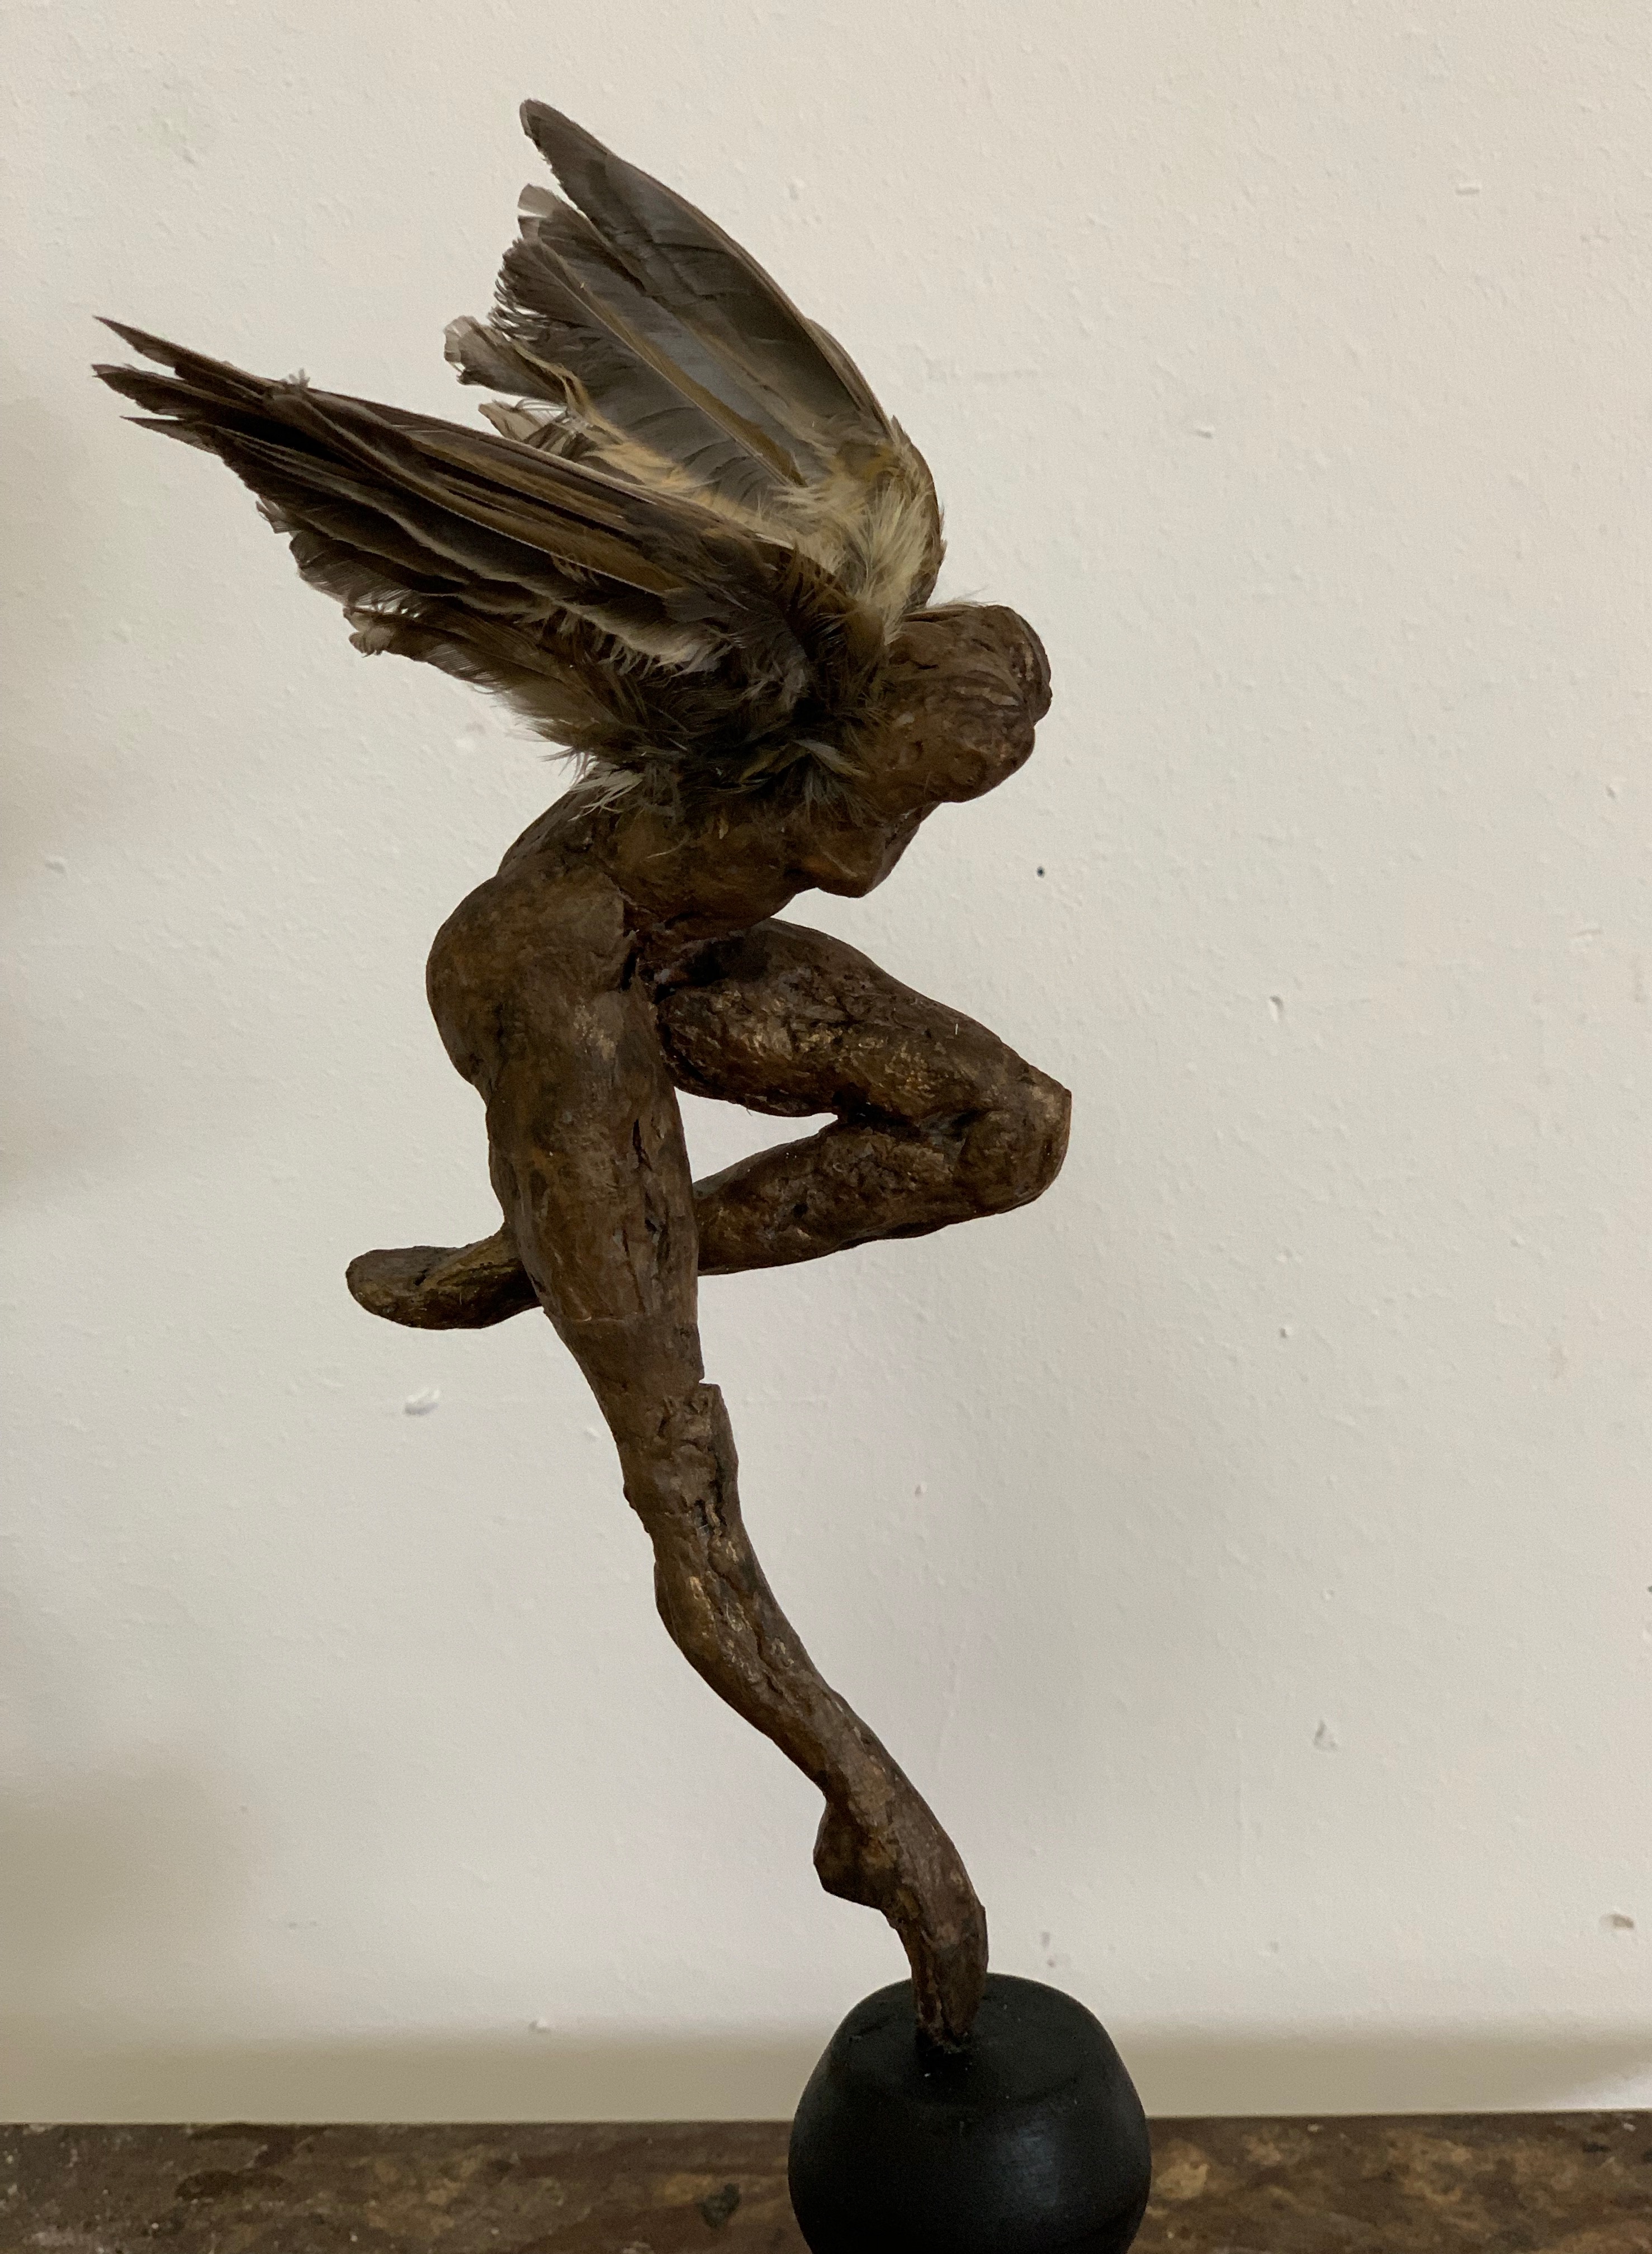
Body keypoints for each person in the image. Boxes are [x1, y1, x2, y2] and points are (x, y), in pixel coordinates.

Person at [97, 101, 1067, 2048]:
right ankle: (874, 1816)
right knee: (680, 1467)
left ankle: (532, 1262)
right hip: (556, 986)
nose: (929, 809)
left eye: (986, 772)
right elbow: (610, 560)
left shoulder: (889, 663)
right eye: (934, 765)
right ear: (879, 705)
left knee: (1008, 1128)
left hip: (681, 961)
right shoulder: (771, 671)